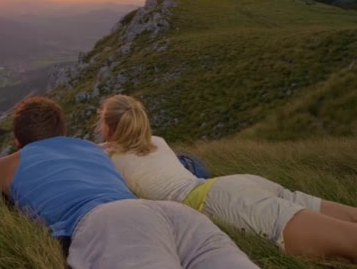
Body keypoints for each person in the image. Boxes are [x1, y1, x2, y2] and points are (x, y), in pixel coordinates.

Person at [0, 96, 258, 269]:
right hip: (172, 214)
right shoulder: (90, 148)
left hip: (115, 224)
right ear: (63, 131)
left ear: (19, 140)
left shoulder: (12, 162)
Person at [98, 94, 357, 263]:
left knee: (350, 241)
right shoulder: (157, 142)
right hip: (235, 184)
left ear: (107, 128)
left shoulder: (110, 161)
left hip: (222, 204)